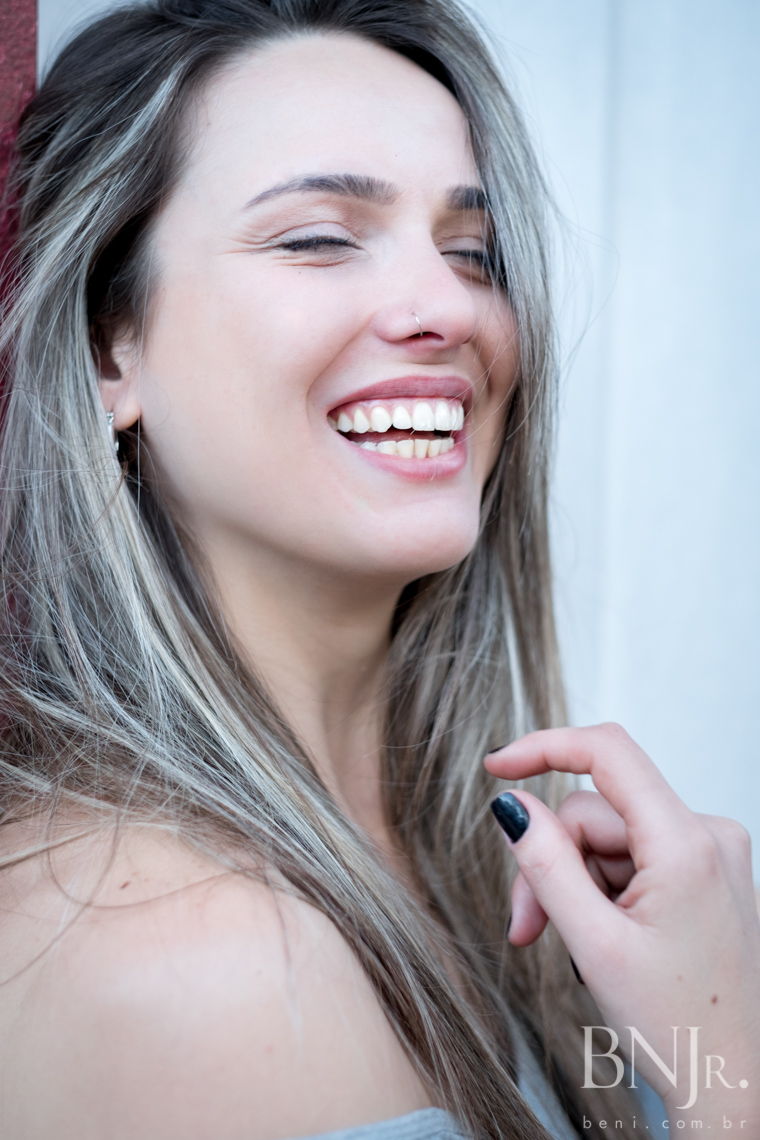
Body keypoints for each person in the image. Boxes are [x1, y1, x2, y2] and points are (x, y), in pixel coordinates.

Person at [0, 1, 757, 1137]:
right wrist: (728, 1067)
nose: (448, 307)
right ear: (114, 347)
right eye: (318, 237)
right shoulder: (196, 966)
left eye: (474, 254)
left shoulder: (486, 876)